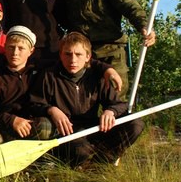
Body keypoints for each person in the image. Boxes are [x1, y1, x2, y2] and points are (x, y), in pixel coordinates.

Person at [59, 0, 156, 98]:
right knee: (85, 104)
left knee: (116, 102)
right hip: (83, 57)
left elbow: (128, 4)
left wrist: (144, 26)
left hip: (111, 53)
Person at [29, 32, 144, 167]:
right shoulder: (49, 76)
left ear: (88, 57)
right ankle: (85, 162)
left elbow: (119, 104)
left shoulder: (97, 76)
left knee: (136, 124)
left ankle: (104, 160)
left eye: (78, 54)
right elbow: (34, 104)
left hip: (94, 128)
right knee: (81, 151)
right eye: (68, 54)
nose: (73, 60)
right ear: (60, 55)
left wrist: (110, 111)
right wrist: (51, 110)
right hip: (68, 132)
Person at [0, 26, 55, 151]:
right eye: (11, 47)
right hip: (0, 127)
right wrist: (11, 121)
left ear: (31, 51)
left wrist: (53, 109)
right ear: (5, 47)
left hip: (28, 127)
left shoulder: (39, 70)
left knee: (46, 126)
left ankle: (37, 163)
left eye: (21, 48)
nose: (15, 53)